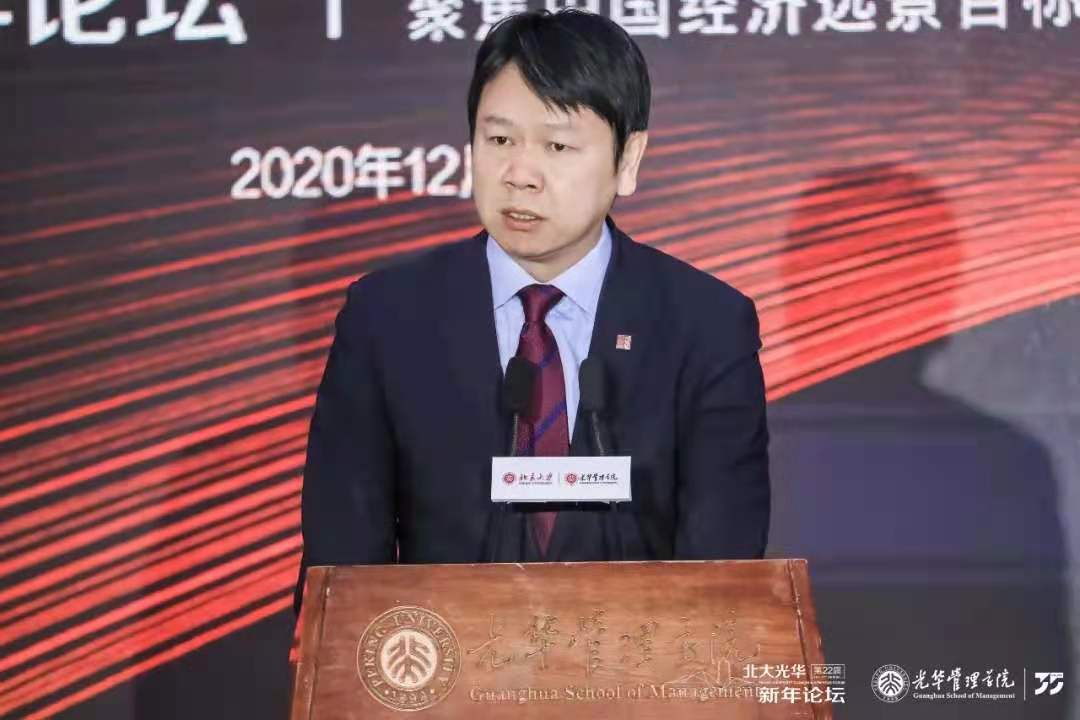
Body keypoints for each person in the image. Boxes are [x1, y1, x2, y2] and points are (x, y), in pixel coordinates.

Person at [295, 9, 769, 609]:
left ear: (628, 160)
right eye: (499, 140)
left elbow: (724, 580)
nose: (519, 175)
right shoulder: (386, 318)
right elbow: (341, 574)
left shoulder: (706, 325)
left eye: (558, 145)